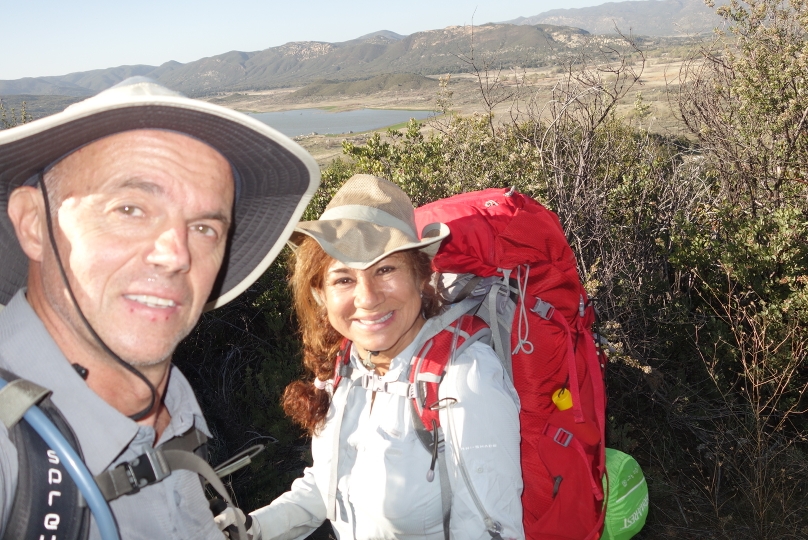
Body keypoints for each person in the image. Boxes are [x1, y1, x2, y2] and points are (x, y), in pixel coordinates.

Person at [0, 77, 319, 539]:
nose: (177, 255)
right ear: (33, 223)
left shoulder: (172, 410)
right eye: (130, 209)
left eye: (206, 227)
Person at [247, 174, 524, 540]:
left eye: (385, 269)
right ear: (320, 294)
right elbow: (331, 484)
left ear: (421, 277)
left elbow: (493, 532)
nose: (368, 297)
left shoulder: (463, 379)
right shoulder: (341, 368)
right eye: (343, 279)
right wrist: (250, 529)